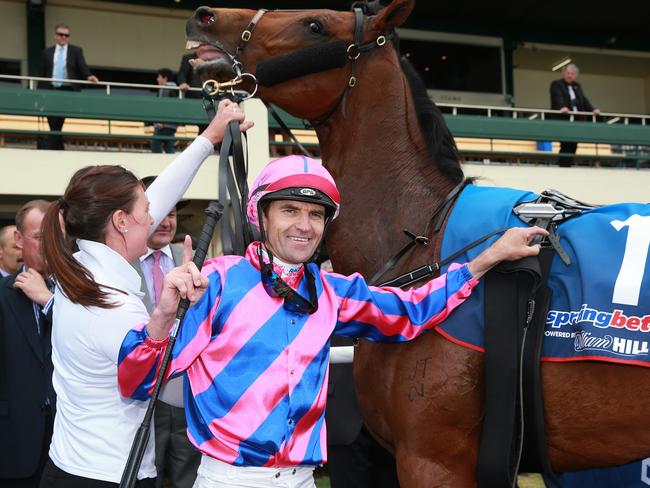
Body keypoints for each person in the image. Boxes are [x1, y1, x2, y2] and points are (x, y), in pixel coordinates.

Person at [117, 155, 548, 488]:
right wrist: (163, 316)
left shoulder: (331, 290)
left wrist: (486, 259)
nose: (304, 226)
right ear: (260, 216)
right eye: (289, 210)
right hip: (230, 478)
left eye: (316, 215)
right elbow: (137, 382)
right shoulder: (216, 282)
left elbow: (408, 310)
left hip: (302, 478)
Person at [38, 99, 252, 488]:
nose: (154, 216)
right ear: (121, 221)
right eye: (146, 208)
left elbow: (162, 192)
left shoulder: (80, 271)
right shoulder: (112, 306)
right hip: (111, 476)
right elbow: (171, 390)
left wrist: (208, 139)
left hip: (75, 468)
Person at [133, 176, 201, 488]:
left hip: (187, 395)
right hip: (139, 400)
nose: (167, 222)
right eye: (161, 212)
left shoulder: (194, 263)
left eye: (173, 214)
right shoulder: (121, 265)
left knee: (188, 478)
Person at [0, 200, 56, 488]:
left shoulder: (78, 295)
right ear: (19, 240)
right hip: (13, 442)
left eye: (54, 236)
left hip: (70, 443)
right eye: (39, 237)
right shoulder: (2, 295)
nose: (49, 245)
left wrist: (50, 302)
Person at [39, 23, 99, 151]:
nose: (64, 37)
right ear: (55, 36)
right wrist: (38, 93)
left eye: (66, 35)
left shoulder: (76, 50)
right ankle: (57, 148)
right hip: (50, 89)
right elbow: (42, 73)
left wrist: (89, 76)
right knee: (53, 120)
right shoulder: (47, 52)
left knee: (57, 120)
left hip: (67, 90)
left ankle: (54, 148)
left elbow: (83, 67)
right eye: (61, 34)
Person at [549, 63, 601, 167]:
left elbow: (583, 99)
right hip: (564, 118)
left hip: (577, 119)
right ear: (563, 73)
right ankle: (564, 165)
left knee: (574, 143)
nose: (570, 75)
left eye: (572, 74)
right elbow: (557, 97)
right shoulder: (556, 84)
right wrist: (562, 107)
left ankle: (569, 164)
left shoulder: (577, 86)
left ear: (575, 75)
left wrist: (593, 109)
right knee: (566, 144)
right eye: (568, 73)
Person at [177, 53, 208, 134]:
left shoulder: (213, 57)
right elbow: (182, 73)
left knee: (207, 123)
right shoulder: (188, 58)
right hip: (193, 96)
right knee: (191, 125)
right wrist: (182, 83)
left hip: (209, 96)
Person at [151, 68, 179, 154]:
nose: (157, 79)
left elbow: (162, 107)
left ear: (165, 78)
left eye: (159, 77)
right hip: (172, 125)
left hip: (163, 125)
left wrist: (160, 122)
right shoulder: (176, 89)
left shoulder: (165, 88)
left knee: (155, 145)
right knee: (169, 148)